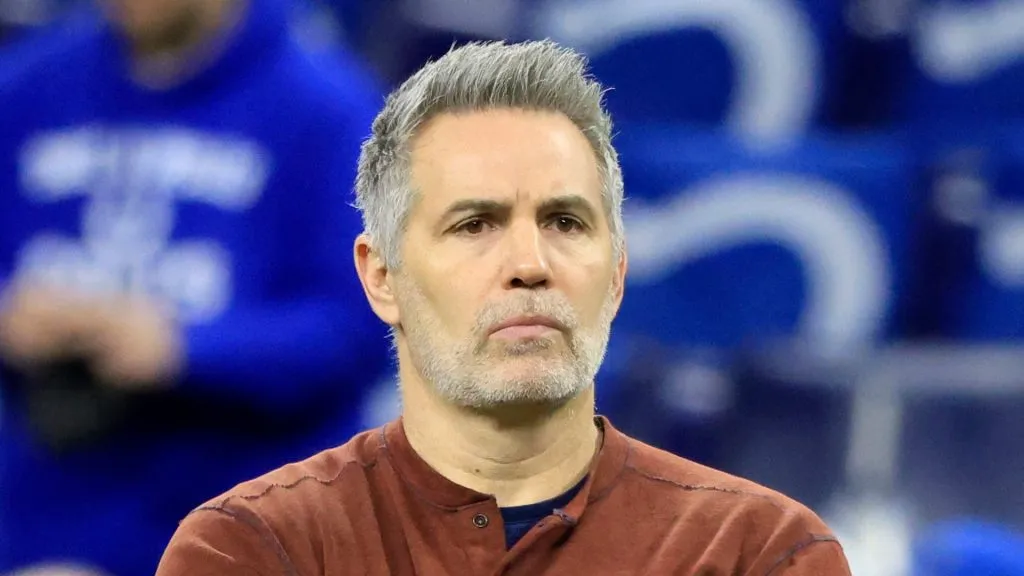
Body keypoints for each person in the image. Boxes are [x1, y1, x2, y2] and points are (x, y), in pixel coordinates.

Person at [156, 40, 853, 575]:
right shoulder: (254, 551)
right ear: (381, 278)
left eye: (565, 222)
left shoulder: (758, 555)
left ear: (616, 273)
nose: (529, 265)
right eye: (475, 224)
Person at [0, 0, 390, 572]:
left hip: (239, 521)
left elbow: (363, 323)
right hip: (42, 511)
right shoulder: (29, 84)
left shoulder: (329, 109)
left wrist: (186, 347)